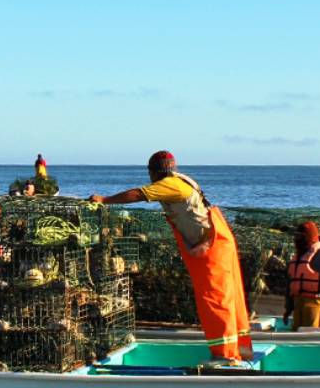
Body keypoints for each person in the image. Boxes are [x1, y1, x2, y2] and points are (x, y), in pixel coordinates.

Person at [89, 150, 252, 365]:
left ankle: (224, 356)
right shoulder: (180, 181)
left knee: (214, 299)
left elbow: (139, 194)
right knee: (229, 296)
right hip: (217, 241)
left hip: (213, 246)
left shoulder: (170, 185)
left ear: (154, 172)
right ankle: (240, 349)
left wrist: (104, 199)